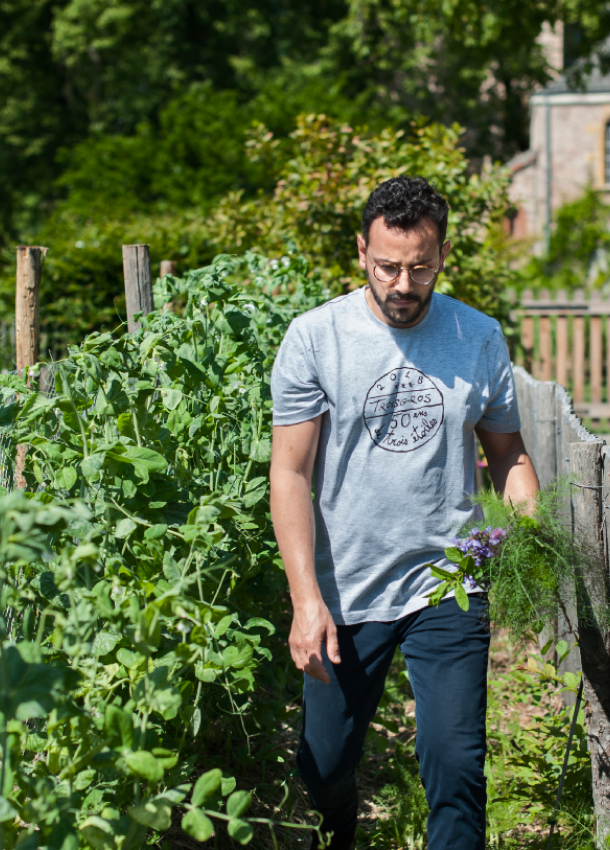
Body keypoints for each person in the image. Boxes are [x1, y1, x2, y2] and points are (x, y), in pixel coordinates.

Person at [269, 176, 539, 850]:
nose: (402, 283)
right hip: (344, 588)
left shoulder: (476, 337)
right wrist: (306, 600)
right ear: (361, 250)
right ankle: (339, 825)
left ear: (442, 255)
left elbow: (507, 454)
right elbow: (289, 472)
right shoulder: (315, 339)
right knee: (324, 762)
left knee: (455, 766)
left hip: (447, 582)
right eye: (388, 265)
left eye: (419, 267)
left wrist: (531, 535)